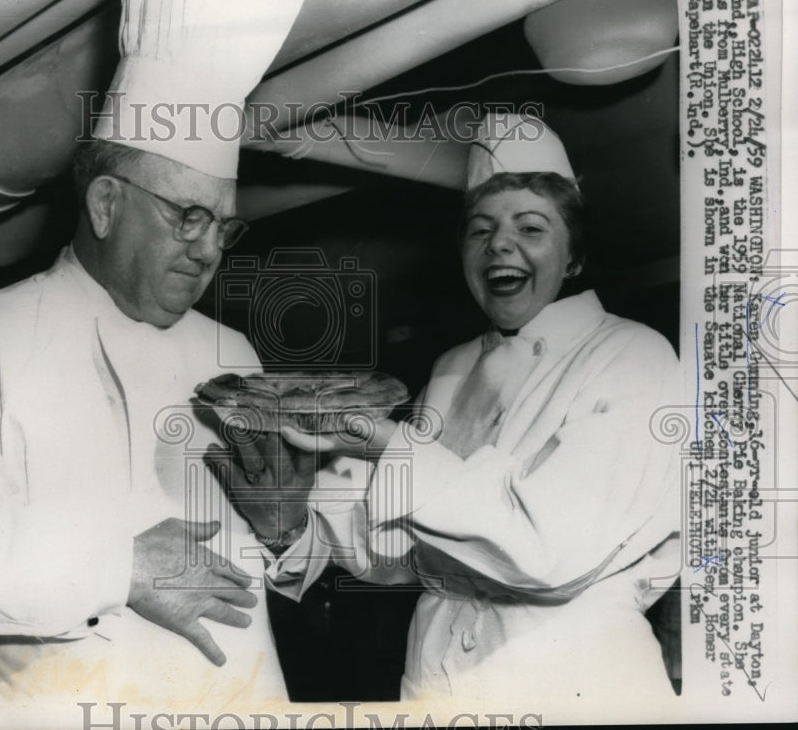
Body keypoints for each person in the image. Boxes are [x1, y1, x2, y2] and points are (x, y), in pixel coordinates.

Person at [0, 0, 311, 708]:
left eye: (224, 228)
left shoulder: (234, 354)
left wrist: (286, 530)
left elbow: (282, 552)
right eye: (188, 216)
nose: (209, 250)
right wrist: (116, 568)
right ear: (107, 205)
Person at [220, 113, 682, 707]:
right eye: (479, 229)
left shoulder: (633, 354)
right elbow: (396, 555)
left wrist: (384, 442)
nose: (500, 245)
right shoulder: (451, 367)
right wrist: (290, 517)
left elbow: (551, 551)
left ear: (574, 257)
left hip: (577, 683)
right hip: (435, 682)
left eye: (531, 227)